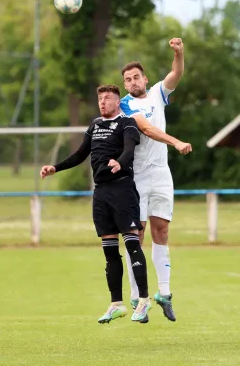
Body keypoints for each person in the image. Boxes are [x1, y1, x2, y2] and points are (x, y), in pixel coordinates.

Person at [40, 84, 152, 324]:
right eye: (100, 98)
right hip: (101, 193)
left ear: (117, 101)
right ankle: (116, 304)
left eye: (108, 98)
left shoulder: (127, 123)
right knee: (110, 251)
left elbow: (130, 150)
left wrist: (119, 163)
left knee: (132, 244)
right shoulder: (95, 125)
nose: (103, 102)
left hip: (122, 188)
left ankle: (143, 300)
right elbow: (81, 154)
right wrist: (55, 168)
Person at [120, 37, 189, 322]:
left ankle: (164, 292)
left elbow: (176, 74)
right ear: (124, 85)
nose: (133, 81)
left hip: (161, 173)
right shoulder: (124, 106)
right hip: (136, 177)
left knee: (162, 230)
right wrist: (175, 141)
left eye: (136, 77)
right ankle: (138, 296)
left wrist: (179, 54)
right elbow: (147, 129)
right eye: (128, 79)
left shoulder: (158, 93)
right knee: (137, 234)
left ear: (145, 79)